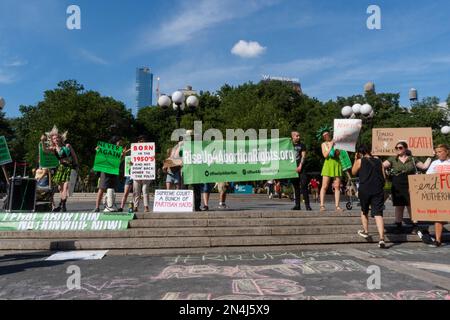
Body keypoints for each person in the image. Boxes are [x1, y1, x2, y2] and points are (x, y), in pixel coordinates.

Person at [383, 141, 432, 233]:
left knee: (411, 204)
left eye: (400, 148)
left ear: (405, 148)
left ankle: (415, 225)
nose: (398, 149)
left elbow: (424, 167)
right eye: (396, 148)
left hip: (410, 183)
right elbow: (381, 166)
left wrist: (430, 157)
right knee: (399, 205)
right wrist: (384, 173)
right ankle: (398, 224)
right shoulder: (393, 159)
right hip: (397, 183)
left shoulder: (412, 159)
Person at [352, 145, 387, 248]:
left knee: (364, 210)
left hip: (365, 189)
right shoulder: (379, 161)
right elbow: (383, 176)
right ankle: (381, 238)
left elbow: (353, 172)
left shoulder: (360, 161)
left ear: (360, 153)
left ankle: (366, 231)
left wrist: (355, 159)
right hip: (377, 189)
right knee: (378, 213)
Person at [40, 126, 79, 212]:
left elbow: (74, 156)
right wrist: (42, 141)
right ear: (52, 140)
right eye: (54, 138)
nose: (56, 139)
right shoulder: (53, 149)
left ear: (60, 138)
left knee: (65, 187)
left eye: (57, 137)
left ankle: (63, 206)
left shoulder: (68, 146)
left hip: (69, 168)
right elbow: (45, 150)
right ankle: (61, 205)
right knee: (60, 189)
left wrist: (76, 166)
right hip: (61, 169)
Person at [426, 144, 450, 247]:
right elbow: (428, 177)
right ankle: (438, 240)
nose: (438, 154)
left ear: (446, 152)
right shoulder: (434, 163)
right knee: (438, 216)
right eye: (436, 152)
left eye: (440, 152)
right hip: (439, 194)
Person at [93, 136, 125, 213]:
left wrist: (122, 156)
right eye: (119, 142)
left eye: (121, 143)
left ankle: (110, 204)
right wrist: (98, 150)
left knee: (112, 188)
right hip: (105, 171)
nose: (120, 144)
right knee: (102, 188)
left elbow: (119, 162)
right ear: (115, 142)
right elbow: (101, 157)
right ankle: (97, 207)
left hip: (113, 171)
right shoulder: (107, 149)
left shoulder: (119, 151)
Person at [317, 126, 344, 212]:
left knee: (337, 186)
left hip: (336, 164)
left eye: (327, 134)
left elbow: (339, 154)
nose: (326, 136)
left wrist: (336, 148)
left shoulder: (336, 142)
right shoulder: (323, 144)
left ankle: (337, 206)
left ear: (330, 134)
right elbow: (325, 155)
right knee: (324, 186)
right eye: (324, 136)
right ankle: (322, 205)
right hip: (328, 165)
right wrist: (330, 146)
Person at [291, 131, 312, 211]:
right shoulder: (289, 144)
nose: (298, 137)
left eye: (299, 135)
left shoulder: (302, 145)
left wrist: (300, 165)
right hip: (293, 169)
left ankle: (307, 205)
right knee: (296, 187)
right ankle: (297, 205)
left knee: (304, 186)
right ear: (292, 137)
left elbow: (303, 156)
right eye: (297, 136)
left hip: (302, 168)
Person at [131, 135, 152, 213]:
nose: (141, 142)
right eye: (139, 140)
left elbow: (152, 161)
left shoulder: (150, 149)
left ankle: (146, 207)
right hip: (136, 173)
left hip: (146, 173)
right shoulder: (133, 149)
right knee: (136, 191)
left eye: (142, 140)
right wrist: (130, 163)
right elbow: (128, 160)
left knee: (145, 190)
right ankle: (135, 206)